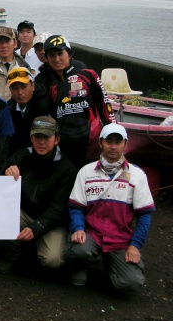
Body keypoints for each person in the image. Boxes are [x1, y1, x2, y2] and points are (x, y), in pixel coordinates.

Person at [66, 123, 155, 291]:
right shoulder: (86, 172)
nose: (113, 146)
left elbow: (145, 214)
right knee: (77, 251)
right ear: (100, 143)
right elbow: (76, 207)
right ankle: (80, 267)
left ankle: (112, 265)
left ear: (125, 144)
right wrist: (78, 227)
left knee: (130, 282)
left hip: (120, 239)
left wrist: (135, 245)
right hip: (92, 234)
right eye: (108, 141)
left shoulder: (137, 175)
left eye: (117, 142)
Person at [0, 116, 77, 274]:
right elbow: (1, 173)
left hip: (50, 221)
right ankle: (14, 254)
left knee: (52, 260)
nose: (41, 142)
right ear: (31, 138)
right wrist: (6, 169)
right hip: (23, 213)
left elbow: (58, 208)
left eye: (46, 137)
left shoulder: (67, 169)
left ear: (56, 139)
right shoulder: (21, 156)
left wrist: (36, 228)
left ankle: (38, 250)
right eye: (38, 137)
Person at [40, 35, 115, 169]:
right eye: (52, 55)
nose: (57, 59)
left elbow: (105, 107)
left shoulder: (88, 75)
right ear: (46, 59)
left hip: (92, 147)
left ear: (69, 55)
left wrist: (114, 134)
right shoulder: (48, 84)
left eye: (60, 54)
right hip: (64, 150)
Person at [6, 67, 51, 155]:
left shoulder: (44, 107)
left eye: (23, 87)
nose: (20, 92)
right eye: (15, 88)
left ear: (33, 86)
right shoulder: (9, 108)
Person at [0, 27, 32, 101]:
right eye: (0, 42)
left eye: (7, 41)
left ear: (15, 43)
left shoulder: (24, 67)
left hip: (16, 111)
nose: (4, 46)